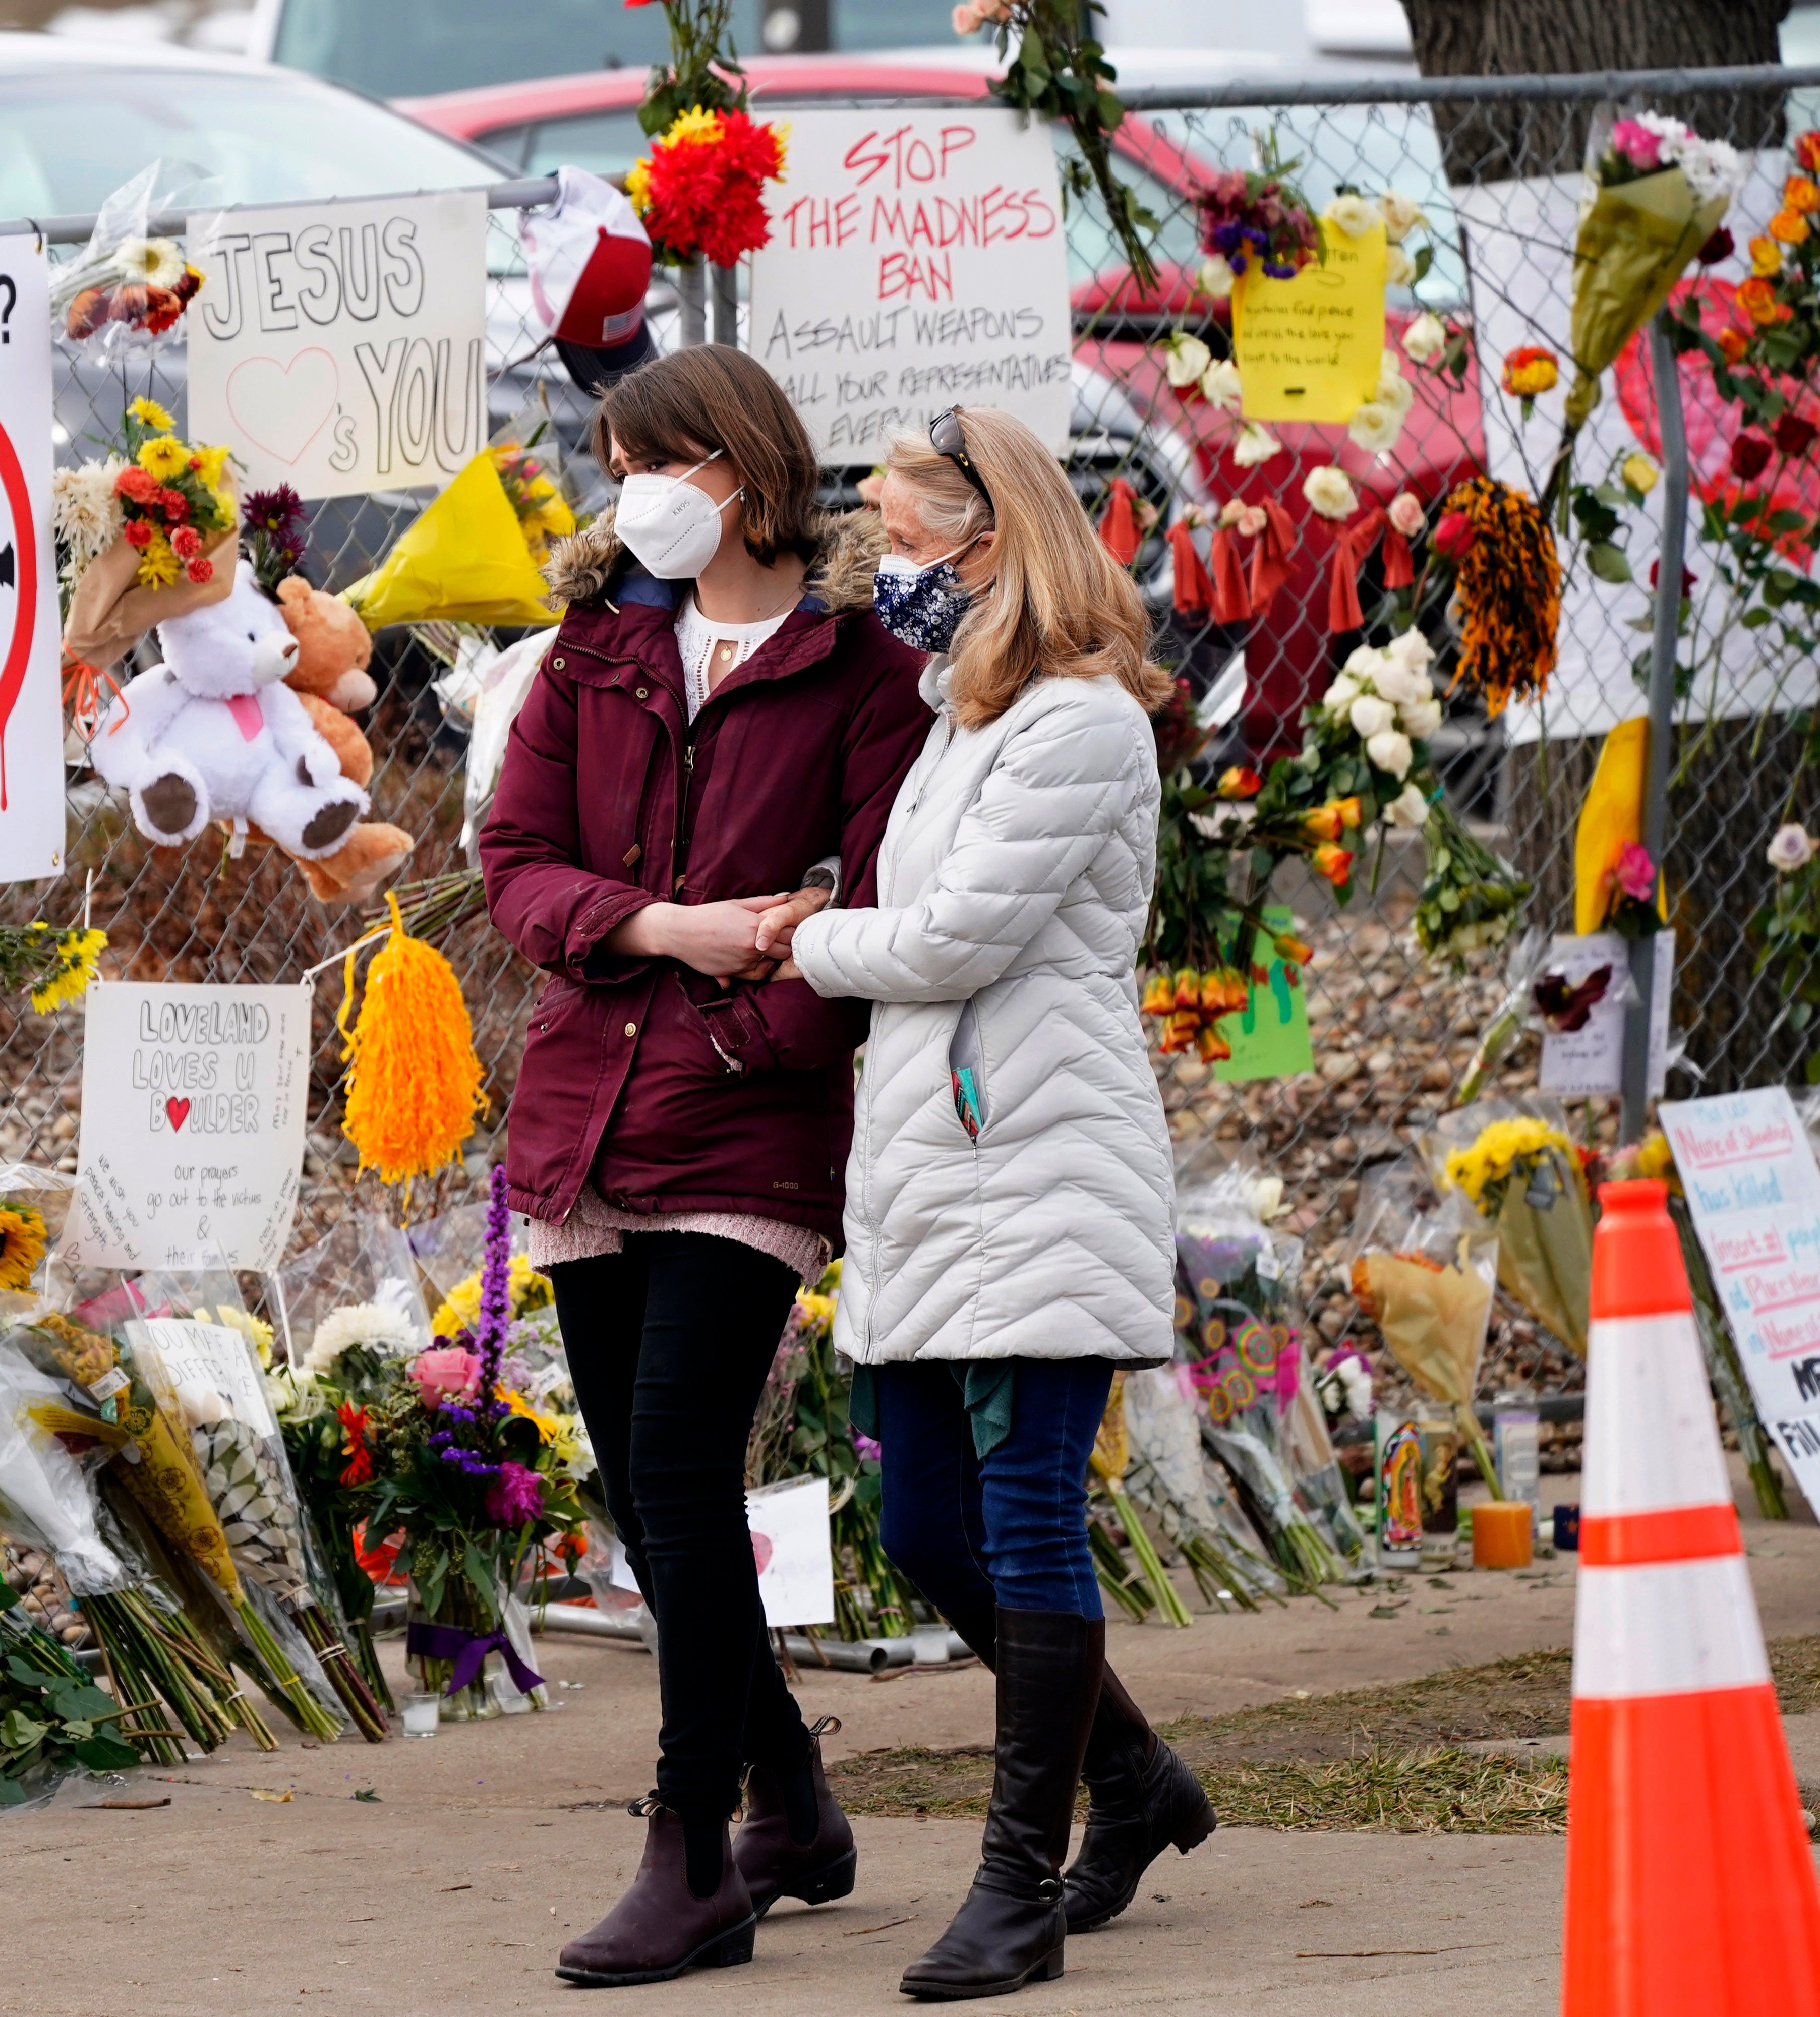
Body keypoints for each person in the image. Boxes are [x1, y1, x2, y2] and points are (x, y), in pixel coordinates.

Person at [481, 343, 931, 1988]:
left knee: (674, 1465)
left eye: (644, 462)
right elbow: (513, 863)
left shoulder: (860, 669)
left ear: (733, 472)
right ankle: (796, 1800)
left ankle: (694, 1851)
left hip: (748, 1112)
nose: (626, 497)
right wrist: (663, 928)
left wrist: (780, 975)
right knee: (639, 1484)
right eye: (613, 465)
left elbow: (876, 890)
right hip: (591, 1103)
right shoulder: (596, 651)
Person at [770, 406, 1213, 2001]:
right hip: (944, 1161)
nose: (879, 561)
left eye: (901, 531)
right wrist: (837, 920)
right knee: (923, 1521)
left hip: (1040, 1154)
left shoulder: (1081, 725)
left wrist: (800, 941)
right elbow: (922, 919)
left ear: (992, 538)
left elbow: (952, 941)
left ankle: (1015, 1882)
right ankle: (1142, 1781)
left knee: (1024, 1512)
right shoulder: (970, 713)